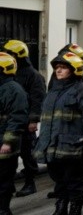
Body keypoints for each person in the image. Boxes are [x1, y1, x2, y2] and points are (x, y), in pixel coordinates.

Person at [34, 52, 83, 215]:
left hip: (73, 147)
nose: (58, 71)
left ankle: (75, 212)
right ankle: (60, 210)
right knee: (59, 181)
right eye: (57, 68)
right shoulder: (53, 92)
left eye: (63, 68)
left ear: (74, 70)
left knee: (74, 181)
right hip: (52, 147)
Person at [2, 40, 46, 198]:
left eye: (9, 52)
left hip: (26, 122)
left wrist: (33, 120)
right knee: (10, 156)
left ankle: (30, 182)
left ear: (18, 55)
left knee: (27, 153)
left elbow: (38, 99)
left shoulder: (33, 76)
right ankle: (10, 184)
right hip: (11, 122)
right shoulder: (10, 73)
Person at [0, 53, 30, 215]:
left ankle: (4, 209)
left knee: (4, 177)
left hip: (5, 142)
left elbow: (17, 118)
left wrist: (8, 141)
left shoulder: (14, 90)